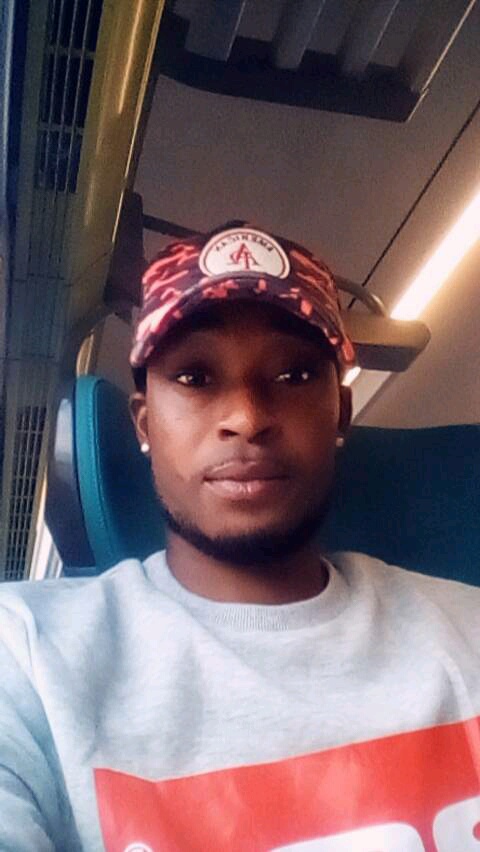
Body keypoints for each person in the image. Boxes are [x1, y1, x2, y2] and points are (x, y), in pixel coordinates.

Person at [0, 223, 479, 852]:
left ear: (340, 413)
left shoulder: (469, 629)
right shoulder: (27, 653)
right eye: (196, 378)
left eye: (294, 375)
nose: (247, 419)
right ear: (144, 424)